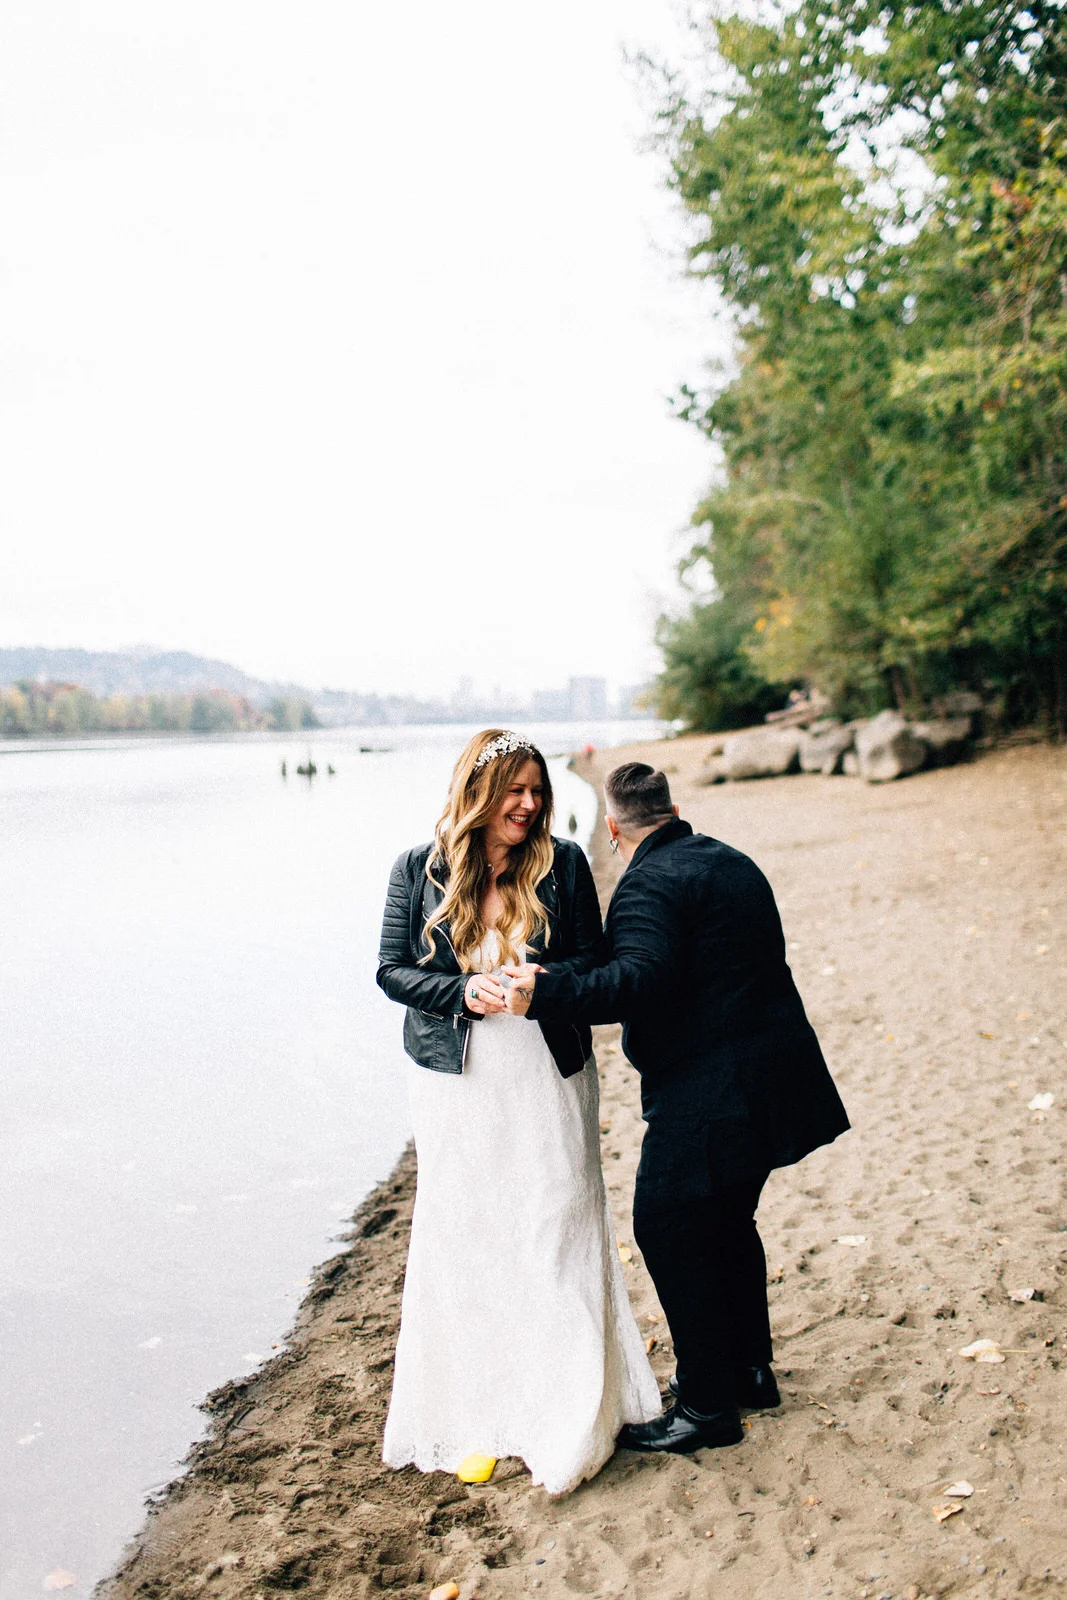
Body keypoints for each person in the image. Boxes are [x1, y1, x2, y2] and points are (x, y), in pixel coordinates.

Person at [503, 761, 850, 1454]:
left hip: (711, 1091)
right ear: (672, 810)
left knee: (666, 1228)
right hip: (775, 1075)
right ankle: (749, 1373)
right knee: (725, 1223)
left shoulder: (647, 885)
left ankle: (704, 1406)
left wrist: (543, 995)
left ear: (611, 828)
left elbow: (639, 980)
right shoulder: (729, 861)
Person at [375, 730, 661, 1494]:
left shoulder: (563, 863)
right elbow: (390, 971)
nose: (530, 805)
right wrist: (462, 991)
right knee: (471, 1237)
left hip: (546, 1070)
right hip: (456, 1083)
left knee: (554, 1226)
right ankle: (482, 1413)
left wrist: (541, 980)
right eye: (515, 791)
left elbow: (596, 961)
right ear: (478, 791)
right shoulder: (418, 867)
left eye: (538, 791)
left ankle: (571, 1408)